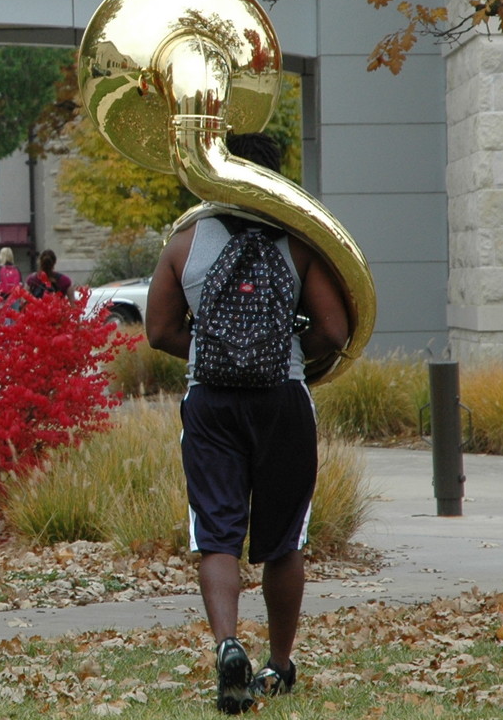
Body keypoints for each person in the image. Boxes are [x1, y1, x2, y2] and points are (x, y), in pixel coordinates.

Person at [142, 132, 348, 715]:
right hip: (282, 399)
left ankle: (228, 643)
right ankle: (279, 664)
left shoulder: (186, 242)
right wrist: (278, 352)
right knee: (284, 540)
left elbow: (158, 332)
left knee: (217, 533)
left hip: (210, 402)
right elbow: (333, 331)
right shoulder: (299, 243)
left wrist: (219, 352)